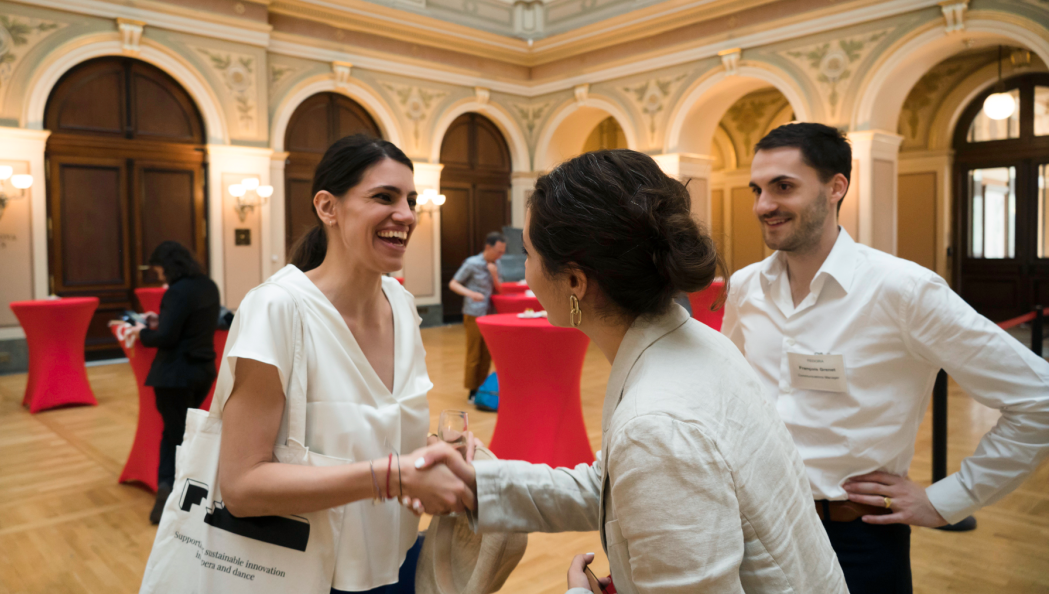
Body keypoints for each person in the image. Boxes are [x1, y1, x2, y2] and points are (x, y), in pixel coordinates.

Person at [419, 149, 848, 593]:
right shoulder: (695, 343)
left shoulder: (655, 427)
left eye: (529, 254)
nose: (525, 274)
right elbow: (605, 487)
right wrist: (478, 484)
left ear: (574, 282)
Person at [722, 122, 1049, 594]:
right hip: (755, 526)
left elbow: (1037, 398)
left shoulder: (904, 290)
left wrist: (945, 501)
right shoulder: (746, 287)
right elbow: (732, 393)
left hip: (858, 539)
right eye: (757, 189)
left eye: (784, 187)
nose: (763, 205)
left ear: (836, 188)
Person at [213, 135, 475, 593]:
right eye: (384, 197)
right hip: (310, 574)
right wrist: (393, 476)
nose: (407, 215)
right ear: (327, 207)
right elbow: (240, 485)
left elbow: (380, 432)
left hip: (400, 558)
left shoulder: (402, 305)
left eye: (411, 200)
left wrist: (435, 451)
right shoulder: (277, 309)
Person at [125, 241, 220, 525]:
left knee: (173, 436)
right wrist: (162, 319)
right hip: (203, 371)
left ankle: (167, 494)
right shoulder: (208, 285)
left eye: (159, 270)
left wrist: (141, 331)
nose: (160, 276)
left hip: (174, 376)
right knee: (188, 432)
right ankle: (194, 488)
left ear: (167, 266)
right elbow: (191, 323)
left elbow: (166, 338)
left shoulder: (176, 291)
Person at [448, 231, 507, 404]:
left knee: (487, 353)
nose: (500, 255)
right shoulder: (471, 263)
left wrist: (494, 274)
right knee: (474, 352)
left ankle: (482, 388)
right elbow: (454, 283)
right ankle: (472, 391)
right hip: (474, 313)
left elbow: (500, 289)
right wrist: (471, 293)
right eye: (498, 251)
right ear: (488, 247)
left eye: (502, 252)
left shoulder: (497, 264)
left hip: (490, 315)